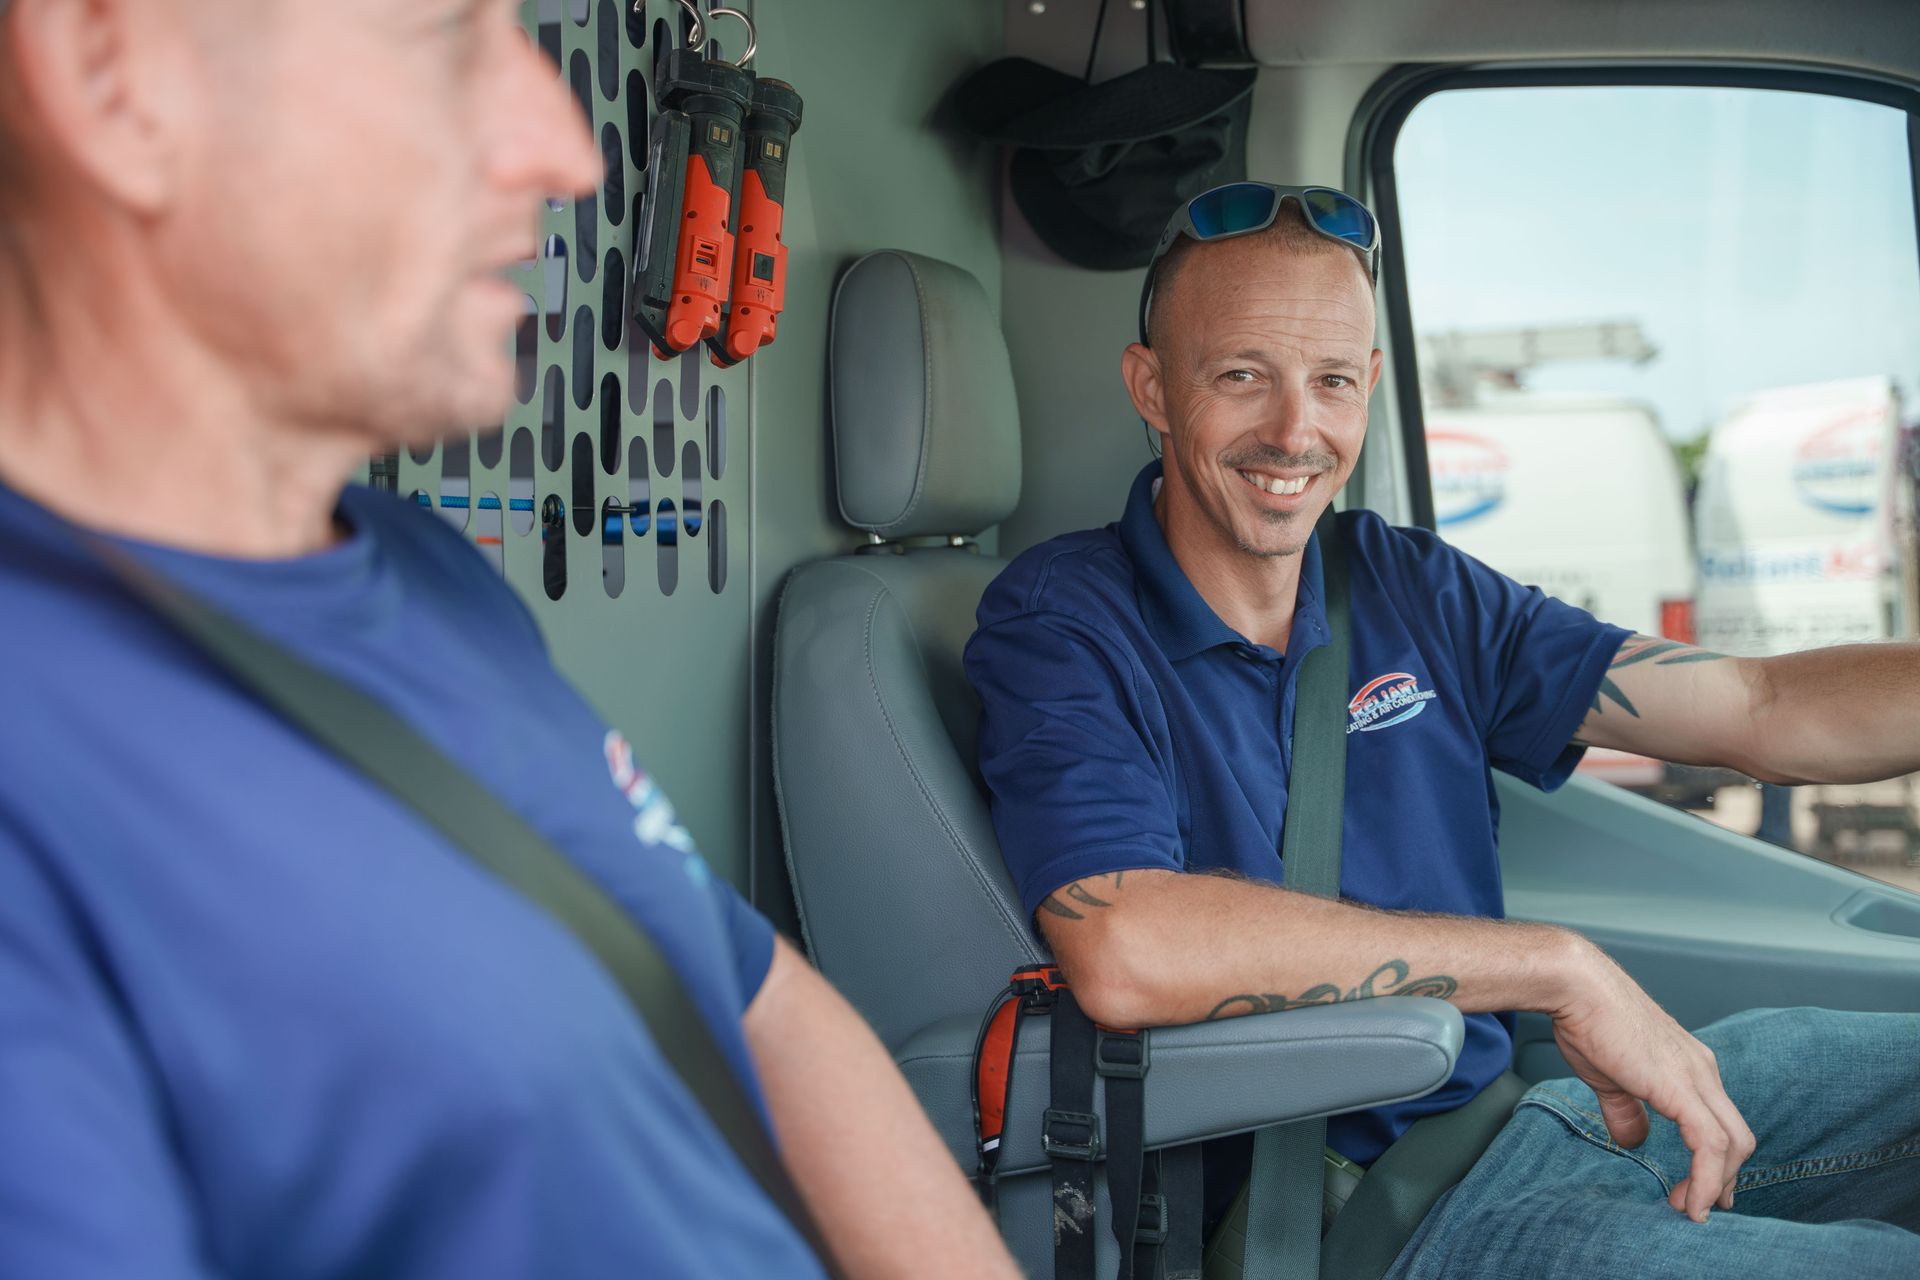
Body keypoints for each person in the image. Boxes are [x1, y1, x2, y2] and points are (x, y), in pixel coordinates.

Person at [0, 1, 1020, 1277]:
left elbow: (756, 998)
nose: (564, 149)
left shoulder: (418, 574)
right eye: (442, 37)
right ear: (108, 73)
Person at [963, 180, 1920, 1276]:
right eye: (1241, 376)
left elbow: (1759, 706)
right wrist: (1555, 967)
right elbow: (1126, 948)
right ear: (1154, 387)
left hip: (1522, 1118)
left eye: (1331, 381)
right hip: (1373, 1220)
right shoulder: (1062, 620)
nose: (1294, 430)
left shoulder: (1406, 583)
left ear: (1369, 384)